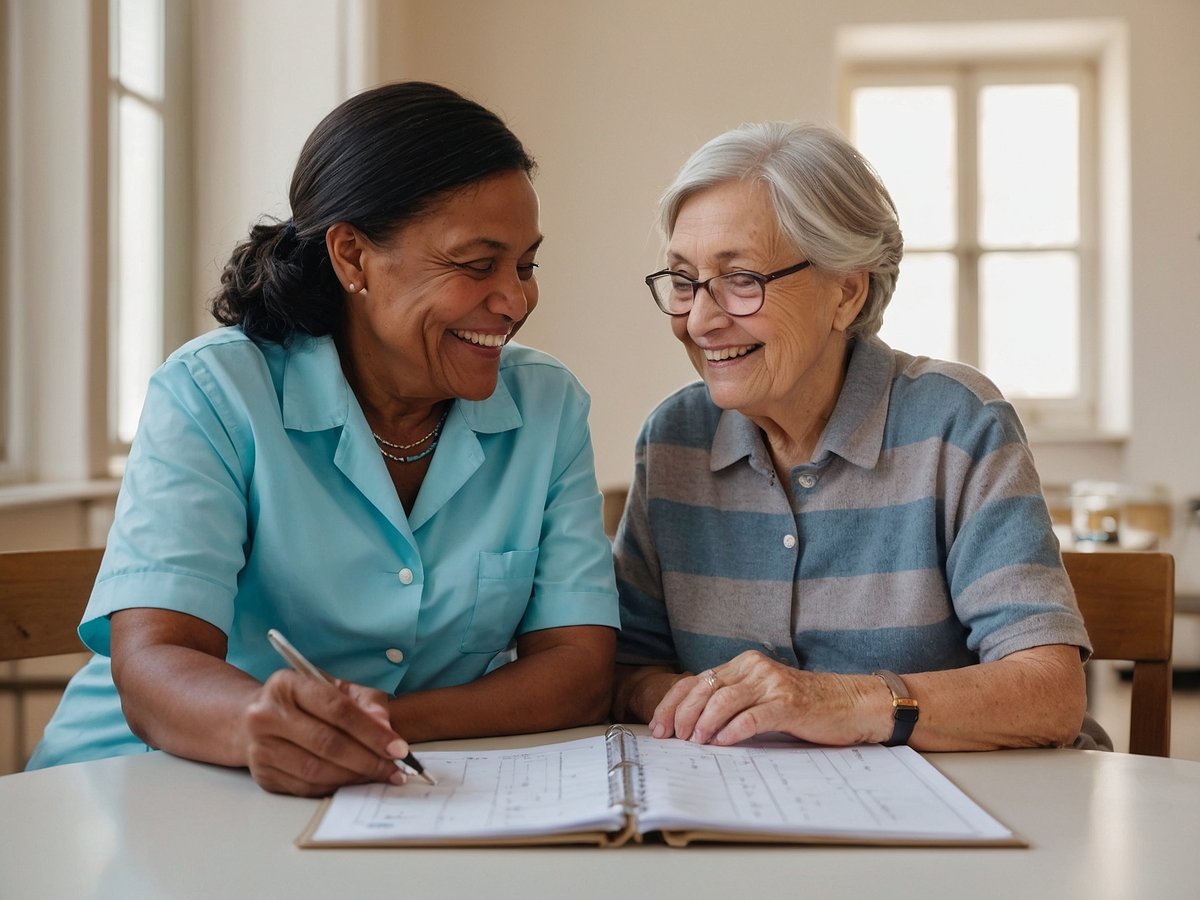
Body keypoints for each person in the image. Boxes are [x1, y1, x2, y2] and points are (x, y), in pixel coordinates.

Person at [28, 82, 620, 795]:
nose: (515, 300)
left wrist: (371, 729)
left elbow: (577, 669)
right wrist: (264, 726)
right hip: (138, 784)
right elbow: (155, 663)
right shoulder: (214, 392)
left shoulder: (547, 405)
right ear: (352, 257)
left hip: (390, 786)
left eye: (525, 265)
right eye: (476, 264)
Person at [611, 121, 1108, 752]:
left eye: (742, 280)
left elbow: (1049, 695)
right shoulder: (673, 440)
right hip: (750, 799)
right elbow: (627, 667)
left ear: (846, 292)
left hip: (960, 804)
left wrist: (838, 702)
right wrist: (706, 699)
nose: (701, 321)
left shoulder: (956, 425)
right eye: (684, 282)